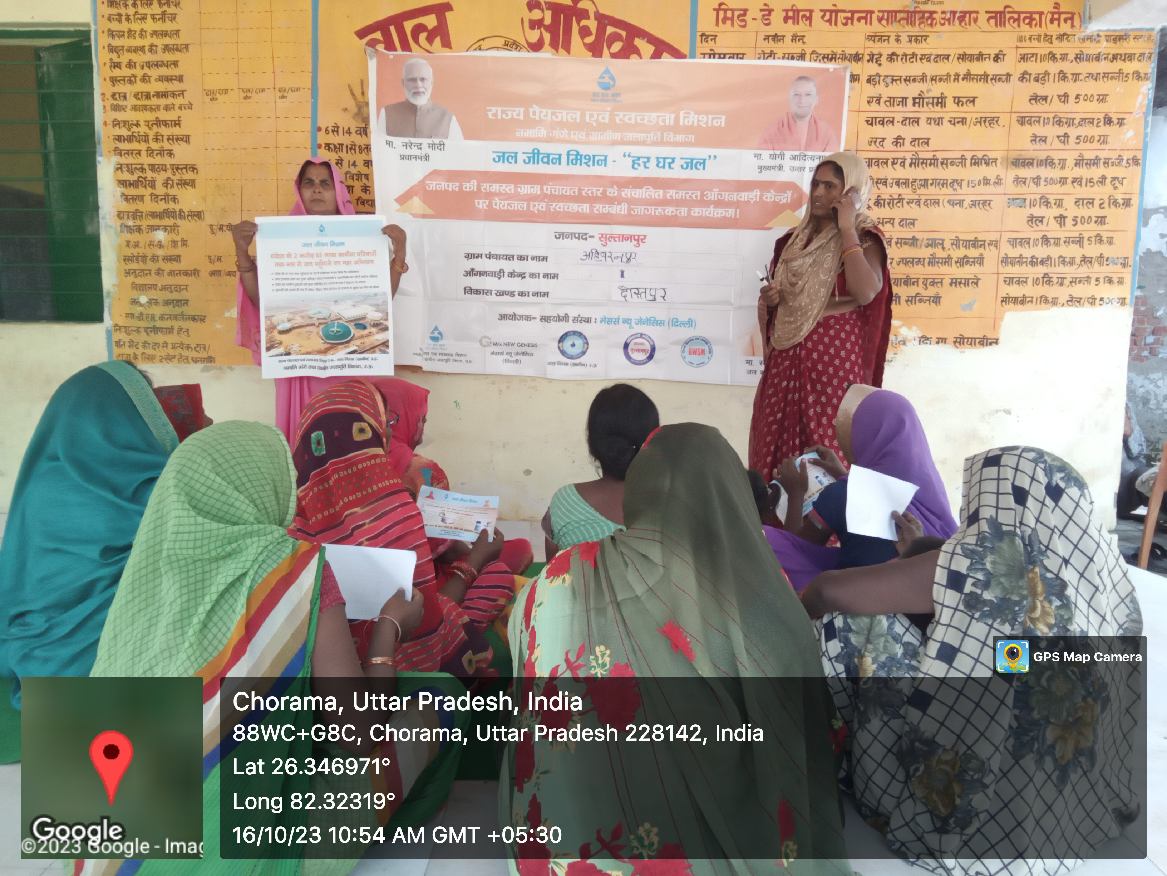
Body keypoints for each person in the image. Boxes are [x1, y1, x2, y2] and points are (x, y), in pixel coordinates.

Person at [86, 422, 468, 870]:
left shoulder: (144, 570)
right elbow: (358, 733)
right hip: (230, 851)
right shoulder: (291, 567)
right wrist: (388, 630)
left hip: (109, 839)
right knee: (440, 696)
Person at [505, 424, 848, 872]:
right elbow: (808, 726)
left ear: (640, 490)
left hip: (579, 835)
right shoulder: (767, 593)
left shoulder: (560, 577)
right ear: (732, 494)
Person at [800, 447, 1143, 872]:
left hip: (980, 768)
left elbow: (829, 591)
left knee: (853, 624)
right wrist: (922, 550)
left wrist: (793, 612)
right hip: (1061, 769)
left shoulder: (985, 561)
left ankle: (876, 773)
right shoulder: (1101, 571)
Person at [0, 362, 209, 763]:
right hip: (110, 672)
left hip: (38, 660)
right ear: (123, 418)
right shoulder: (154, 489)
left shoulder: (46, 478)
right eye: (146, 408)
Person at [289, 379, 500, 678]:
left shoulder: (293, 524)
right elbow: (422, 615)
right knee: (463, 609)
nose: (389, 431)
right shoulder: (394, 510)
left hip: (319, 676)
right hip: (395, 669)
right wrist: (473, 562)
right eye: (385, 422)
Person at [230, 157, 410, 441]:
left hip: (349, 360)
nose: (317, 189)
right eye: (309, 183)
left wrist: (399, 253)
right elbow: (262, 301)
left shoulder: (363, 238)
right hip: (299, 363)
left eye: (325, 183)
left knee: (347, 435)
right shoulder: (278, 240)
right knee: (305, 437)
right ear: (299, 190)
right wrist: (242, 251)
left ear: (338, 190)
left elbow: (381, 299)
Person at [749, 151, 893, 477]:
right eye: (815, 184)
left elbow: (865, 292)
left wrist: (847, 227)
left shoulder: (865, 237)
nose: (818, 193)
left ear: (851, 191)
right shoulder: (791, 242)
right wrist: (772, 301)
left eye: (830, 186)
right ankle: (776, 512)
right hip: (786, 364)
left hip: (832, 370)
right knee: (776, 452)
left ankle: (827, 513)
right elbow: (784, 300)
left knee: (825, 449)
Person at [378, 376, 533, 630]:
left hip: (362, 592)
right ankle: (455, 636)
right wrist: (478, 556)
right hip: (417, 599)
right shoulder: (422, 472)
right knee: (500, 571)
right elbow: (443, 548)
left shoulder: (336, 473)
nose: (422, 430)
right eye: (421, 419)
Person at [769, 384, 957, 591]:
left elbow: (796, 549)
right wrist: (844, 476)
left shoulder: (843, 494)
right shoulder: (931, 491)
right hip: (930, 594)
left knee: (770, 540)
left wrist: (795, 493)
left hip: (871, 601)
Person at [541, 383, 660, 558]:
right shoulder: (675, 507)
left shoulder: (564, 502)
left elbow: (552, 572)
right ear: (653, 442)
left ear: (593, 443)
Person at [379, 56, 463, 140]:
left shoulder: (447, 118)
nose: (418, 85)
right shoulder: (387, 114)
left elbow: (458, 148)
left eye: (423, 79)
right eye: (412, 80)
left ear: (431, 82)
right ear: (403, 83)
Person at [757, 75, 838, 153]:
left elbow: (831, 161)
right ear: (789, 98)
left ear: (816, 99)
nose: (802, 100)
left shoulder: (827, 134)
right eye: (796, 94)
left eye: (808, 94)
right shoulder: (771, 133)